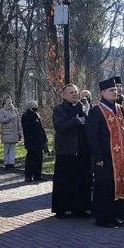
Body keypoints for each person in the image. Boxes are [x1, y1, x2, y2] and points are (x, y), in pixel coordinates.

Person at [87, 78, 124, 227]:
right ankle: (103, 218)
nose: (114, 92)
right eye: (111, 90)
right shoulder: (96, 110)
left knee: (118, 185)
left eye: (115, 90)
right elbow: (92, 136)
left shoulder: (119, 108)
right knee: (105, 187)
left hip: (121, 156)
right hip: (106, 156)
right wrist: (98, 156)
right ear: (102, 93)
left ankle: (116, 215)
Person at [51, 84, 91, 218]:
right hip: (66, 151)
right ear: (64, 95)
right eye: (71, 92)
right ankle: (61, 209)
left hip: (81, 150)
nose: (74, 94)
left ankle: (80, 208)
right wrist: (76, 121)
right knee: (64, 181)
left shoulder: (82, 107)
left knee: (81, 180)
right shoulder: (59, 109)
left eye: (76, 92)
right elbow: (59, 126)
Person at [21, 100, 48, 183]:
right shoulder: (26, 115)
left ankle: (37, 176)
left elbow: (41, 128)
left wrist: (45, 138)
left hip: (39, 141)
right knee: (30, 159)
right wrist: (35, 119)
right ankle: (28, 176)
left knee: (39, 159)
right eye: (34, 106)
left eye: (36, 105)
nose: (36, 107)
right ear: (30, 107)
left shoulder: (37, 115)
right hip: (31, 141)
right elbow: (27, 128)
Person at [0, 97, 21, 171]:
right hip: (6, 131)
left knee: (12, 148)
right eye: (7, 100)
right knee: (6, 148)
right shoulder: (2, 110)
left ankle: (12, 163)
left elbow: (18, 121)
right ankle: (6, 163)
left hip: (14, 131)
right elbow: (2, 120)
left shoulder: (15, 110)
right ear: (5, 102)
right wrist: (9, 118)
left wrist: (20, 130)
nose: (9, 101)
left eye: (10, 100)